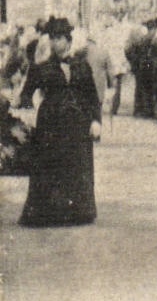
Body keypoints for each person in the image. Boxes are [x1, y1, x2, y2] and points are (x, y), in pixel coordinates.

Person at [17, 17, 100, 226]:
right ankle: (50, 212)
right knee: (50, 166)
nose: (56, 43)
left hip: (77, 123)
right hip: (51, 124)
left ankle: (78, 211)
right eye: (52, 38)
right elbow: (25, 95)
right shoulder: (42, 68)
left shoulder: (82, 66)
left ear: (68, 40)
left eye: (60, 38)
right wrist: (35, 107)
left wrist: (95, 121)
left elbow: (92, 97)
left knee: (77, 165)